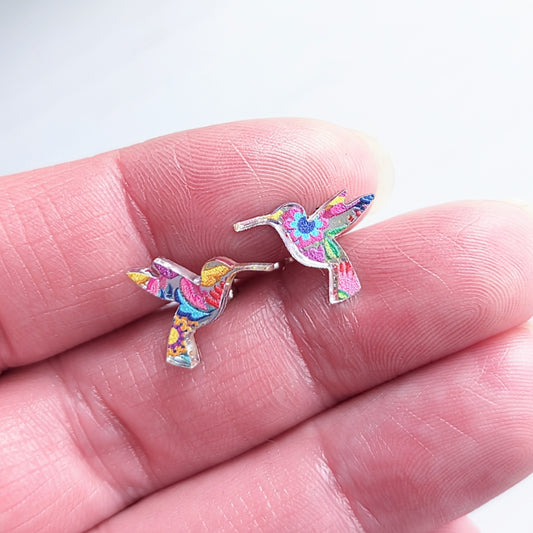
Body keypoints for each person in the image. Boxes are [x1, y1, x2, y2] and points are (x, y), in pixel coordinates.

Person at [0, 118, 531, 533]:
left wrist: (259, 264)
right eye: (226, 274)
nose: (234, 272)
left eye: (279, 220)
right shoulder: (198, 286)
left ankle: (317, 289)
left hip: (316, 264)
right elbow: (178, 277)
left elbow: (275, 248)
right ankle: (184, 345)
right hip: (196, 314)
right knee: (186, 328)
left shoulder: (296, 239)